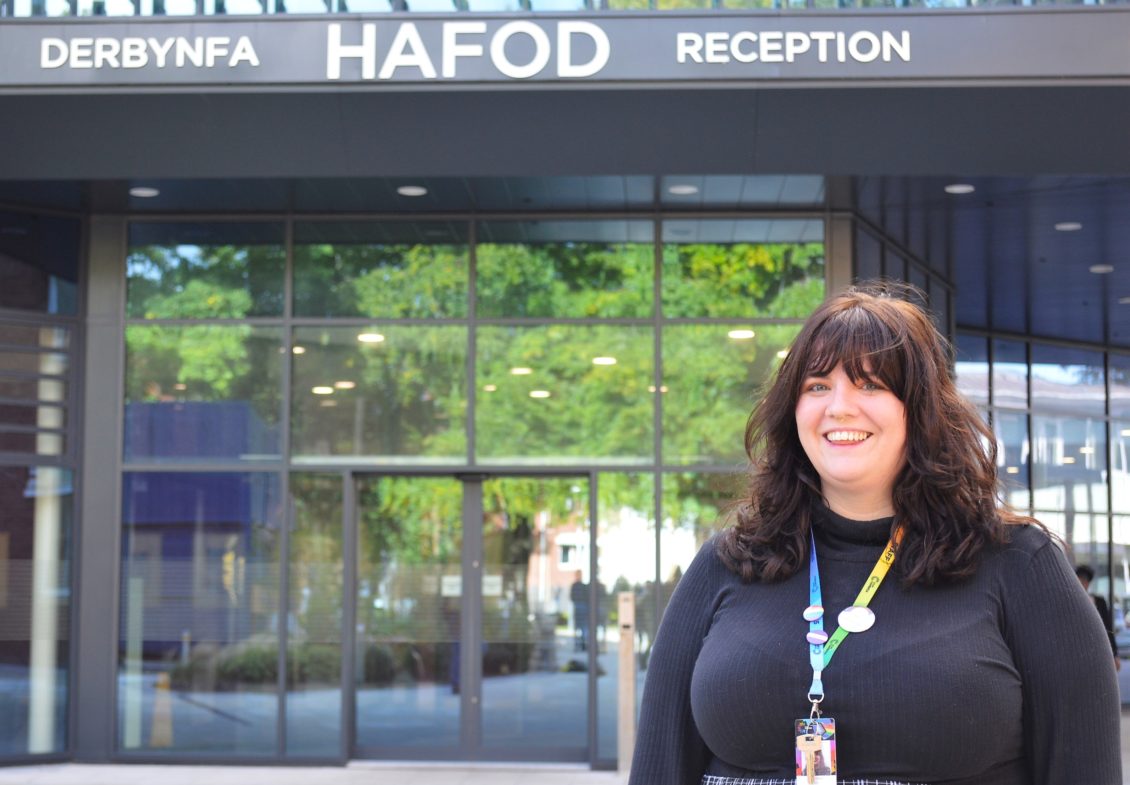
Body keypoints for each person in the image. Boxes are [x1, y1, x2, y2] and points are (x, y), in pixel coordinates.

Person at [629, 282, 1121, 785]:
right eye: (817, 386)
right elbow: (659, 767)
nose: (839, 407)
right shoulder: (727, 563)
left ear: (921, 408)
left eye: (870, 385)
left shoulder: (1018, 564)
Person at [1075, 564, 1121, 672]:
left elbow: (1108, 627)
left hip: (1098, 649)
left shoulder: (1099, 601)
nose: (1083, 584)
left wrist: (1114, 654)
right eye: (1080, 580)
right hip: (1079, 651)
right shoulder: (1072, 601)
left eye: (1085, 581)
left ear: (1088, 583)